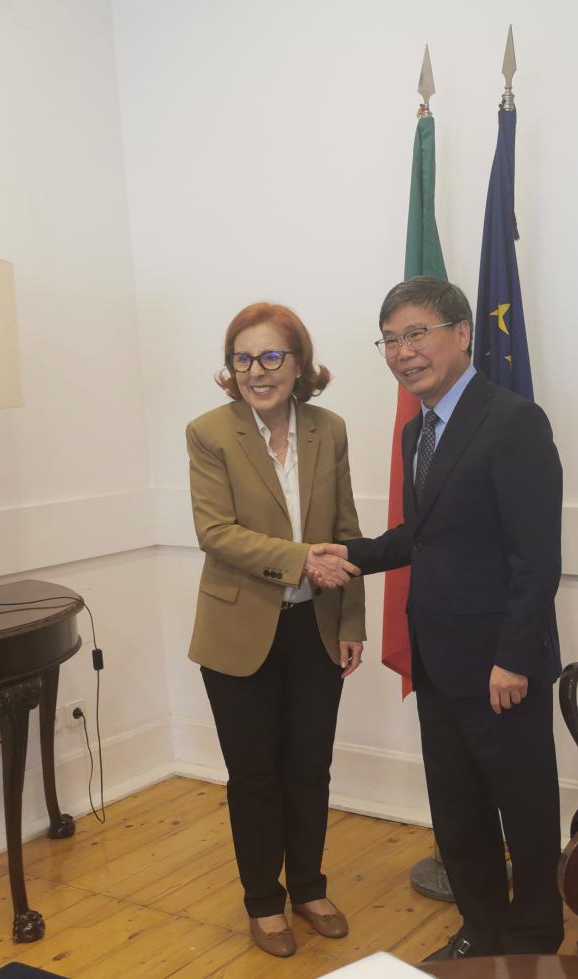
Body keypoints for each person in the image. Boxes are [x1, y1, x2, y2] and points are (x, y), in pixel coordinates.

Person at [315, 276, 565, 958]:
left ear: (461, 333)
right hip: (437, 659)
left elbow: (536, 558)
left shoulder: (513, 422)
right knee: (457, 811)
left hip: (500, 667)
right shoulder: (415, 431)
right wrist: (351, 554)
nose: (403, 352)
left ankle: (535, 940)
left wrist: (513, 657)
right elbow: (422, 537)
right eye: (389, 340)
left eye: (415, 334)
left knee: (525, 810)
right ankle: (481, 932)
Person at [185, 301, 365, 959]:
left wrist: (352, 620)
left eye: (270, 356)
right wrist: (301, 560)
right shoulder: (209, 432)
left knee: (309, 768)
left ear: (298, 363)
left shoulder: (328, 428)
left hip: (315, 626)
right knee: (254, 775)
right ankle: (263, 901)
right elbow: (216, 532)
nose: (256, 371)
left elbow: (346, 531)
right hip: (238, 632)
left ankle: (310, 889)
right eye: (242, 358)